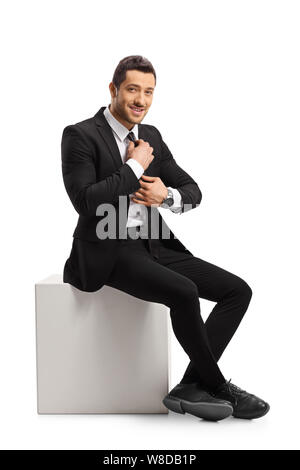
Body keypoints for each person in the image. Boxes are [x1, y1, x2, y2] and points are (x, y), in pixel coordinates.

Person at [61, 55, 270, 422]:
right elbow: (86, 202)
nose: (140, 99)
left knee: (238, 291)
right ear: (113, 90)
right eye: (132, 90)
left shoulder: (152, 136)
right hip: (109, 249)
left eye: (148, 92)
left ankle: (191, 385)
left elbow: (192, 189)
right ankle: (219, 385)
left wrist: (167, 197)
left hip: (154, 241)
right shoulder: (80, 135)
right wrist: (136, 165)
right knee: (185, 292)